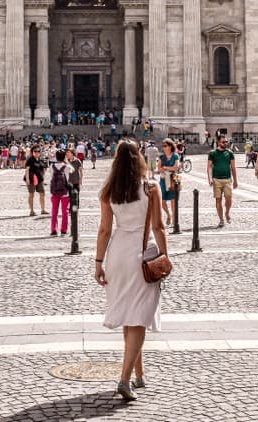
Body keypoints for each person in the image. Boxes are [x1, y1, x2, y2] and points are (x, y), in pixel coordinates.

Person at [95, 140, 167, 403]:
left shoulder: (109, 190)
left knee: (130, 314)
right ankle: (125, 380)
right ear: (139, 158)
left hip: (117, 255)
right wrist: (165, 256)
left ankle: (140, 375)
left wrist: (98, 262)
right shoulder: (150, 187)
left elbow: (104, 230)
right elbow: (159, 226)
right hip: (141, 254)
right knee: (138, 318)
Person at [207, 133, 238, 227]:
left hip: (227, 179)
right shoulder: (212, 153)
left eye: (226, 142)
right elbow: (209, 167)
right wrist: (210, 178)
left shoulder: (230, 153)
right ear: (218, 142)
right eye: (223, 142)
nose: (225, 143)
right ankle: (221, 220)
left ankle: (227, 213)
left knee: (229, 199)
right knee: (218, 200)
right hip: (216, 180)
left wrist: (236, 180)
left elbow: (233, 167)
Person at [49, 149, 73, 236]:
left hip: (54, 191)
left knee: (54, 211)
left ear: (56, 157)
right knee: (65, 212)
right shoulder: (67, 167)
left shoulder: (52, 166)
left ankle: (53, 229)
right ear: (64, 157)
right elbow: (72, 170)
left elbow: (50, 175)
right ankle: (64, 229)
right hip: (65, 192)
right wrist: (66, 161)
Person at [157, 139, 179, 226]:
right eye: (163, 146)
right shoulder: (162, 157)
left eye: (165, 146)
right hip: (163, 180)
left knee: (173, 200)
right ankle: (168, 214)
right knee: (162, 200)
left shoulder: (175, 156)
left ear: (170, 146)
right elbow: (159, 169)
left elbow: (176, 167)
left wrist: (165, 168)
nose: (164, 148)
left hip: (172, 180)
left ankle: (174, 219)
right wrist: (169, 168)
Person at [25, 145, 48, 216]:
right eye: (35, 151)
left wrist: (43, 177)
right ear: (32, 152)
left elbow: (44, 168)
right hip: (31, 179)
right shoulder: (30, 160)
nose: (37, 152)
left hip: (40, 179)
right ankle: (31, 211)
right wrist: (27, 180)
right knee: (31, 194)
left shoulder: (41, 159)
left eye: (38, 151)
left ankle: (43, 209)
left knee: (42, 193)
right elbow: (27, 170)